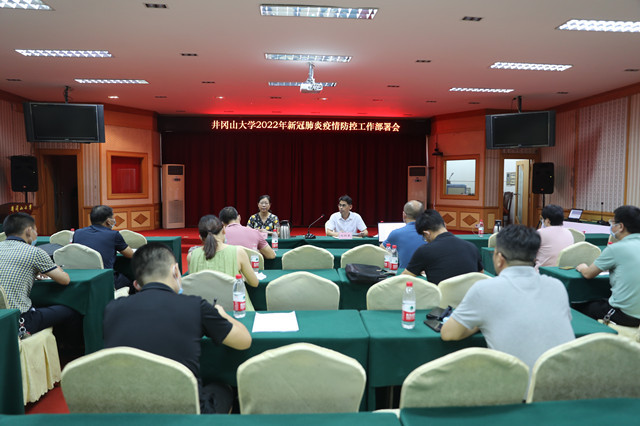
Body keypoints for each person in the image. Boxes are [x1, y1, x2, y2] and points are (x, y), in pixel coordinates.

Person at [103, 243, 251, 413]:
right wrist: (222, 314)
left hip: (128, 409)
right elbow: (244, 341)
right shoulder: (196, 306)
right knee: (224, 387)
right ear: (175, 271)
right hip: (185, 411)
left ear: (136, 284)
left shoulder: (111, 309)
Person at [441, 225, 575, 370]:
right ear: (535, 257)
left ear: (499, 258)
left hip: (519, 382)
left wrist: (479, 324)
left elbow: (448, 333)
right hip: (567, 379)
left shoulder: (484, 289)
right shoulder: (557, 286)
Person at [0, 212, 79, 335]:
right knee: (70, 310)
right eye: (35, 230)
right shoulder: (34, 252)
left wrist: (34, 272)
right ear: (28, 230)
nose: (36, 234)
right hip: (20, 321)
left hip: (3, 317)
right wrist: (57, 268)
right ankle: (67, 346)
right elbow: (64, 280)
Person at [575, 205, 640, 327]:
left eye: (613, 223)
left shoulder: (616, 248)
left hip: (626, 315)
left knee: (578, 307)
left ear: (621, 227)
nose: (611, 226)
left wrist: (582, 267)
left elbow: (588, 274)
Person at [403, 210, 483, 284]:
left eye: (424, 237)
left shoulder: (424, 251)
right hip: (468, 294)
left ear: (427, 233)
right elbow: (481, 277)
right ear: (444, 224)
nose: (426, 240)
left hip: (441, 295)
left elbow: (403, 279)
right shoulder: (472, 247)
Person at [187, 215, 259, 288]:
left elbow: (192, 284)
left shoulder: (191, 256)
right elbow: (254, 283)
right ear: (224, 230)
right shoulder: (238, 252)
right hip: (231, 295)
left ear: (200, 237)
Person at [72, 205, 134, 290]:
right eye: (112, 217)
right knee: (131, 283)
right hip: (105, 279)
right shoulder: (113, 235)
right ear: (108, 221)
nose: (114, 220)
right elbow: (130, 254)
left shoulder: (78, 233)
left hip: (81, 278)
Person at [381, 200, 426, 269]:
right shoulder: (431, 233)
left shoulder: (396, 233)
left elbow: (381, 251)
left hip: (404, 275)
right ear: (423, 216)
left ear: (404, 215)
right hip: (427, 275)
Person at [535, 204, 574, 269]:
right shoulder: (569, 233)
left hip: (543, 272)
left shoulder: (540, 233)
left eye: (542, 219)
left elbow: (530, 255)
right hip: (562, 271)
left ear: (547, 220)